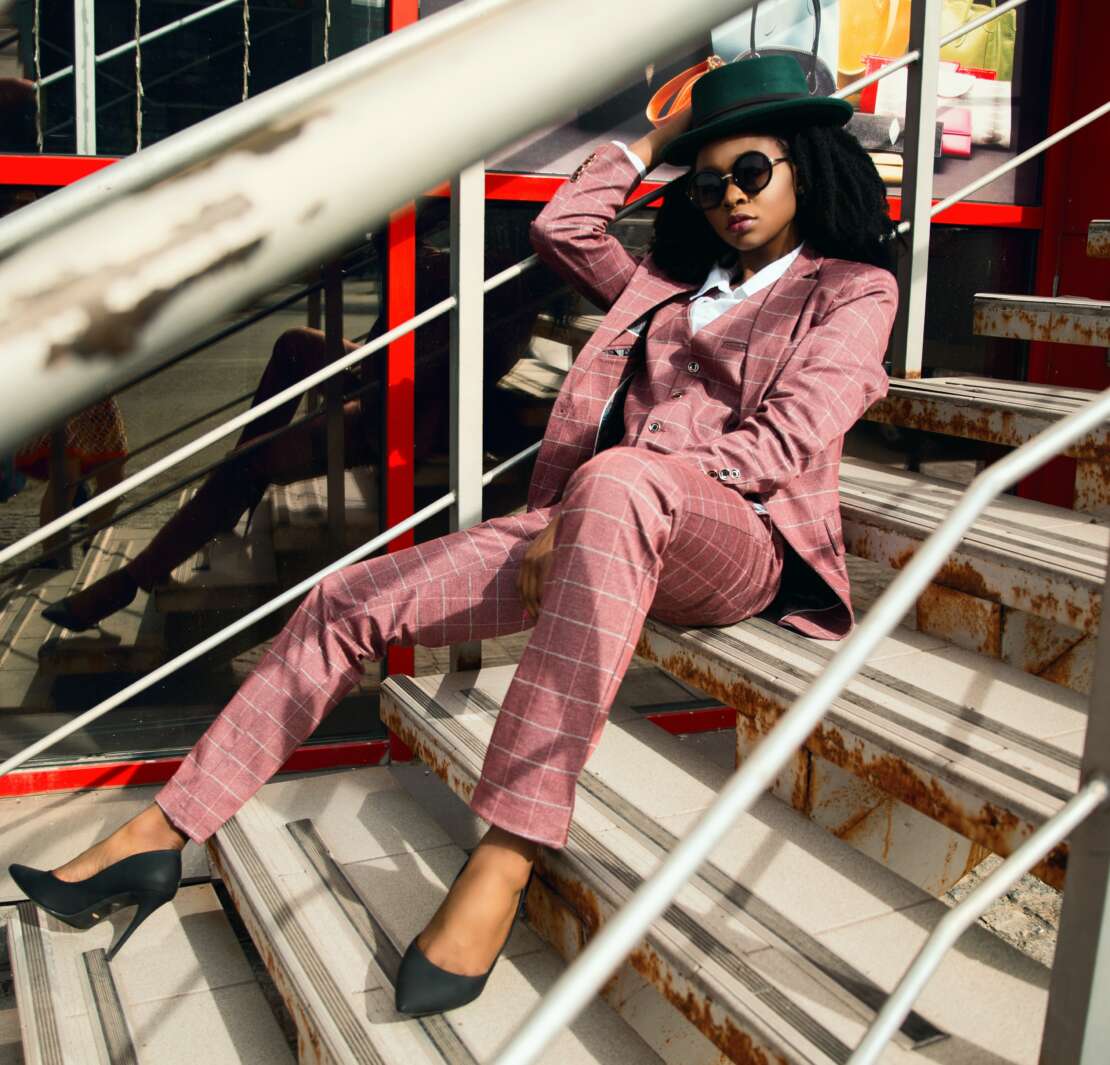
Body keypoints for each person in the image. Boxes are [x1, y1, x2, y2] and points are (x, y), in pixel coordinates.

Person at [10, 56, 900, 1017]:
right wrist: (655, 139)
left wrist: (606, 491)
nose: (729, 197)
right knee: (344, 602)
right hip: (595, 520)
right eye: (710, 181)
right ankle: (159, 834)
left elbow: (782, 444)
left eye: (752, 172)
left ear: (807, 165)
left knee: (620, 480)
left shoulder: (851, 291)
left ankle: (509, 850)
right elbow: (566, 227)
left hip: (740, 541)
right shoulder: (665, 287)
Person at [39, 212, 562, 630]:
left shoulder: (500, 280)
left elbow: (424, 368)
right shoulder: (472, 266)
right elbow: (401, 333)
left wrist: (413, 263)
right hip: (396, 385)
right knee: (295, 345)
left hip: (411, 415)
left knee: (254, 459)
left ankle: (133, 579)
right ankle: (232, 489)